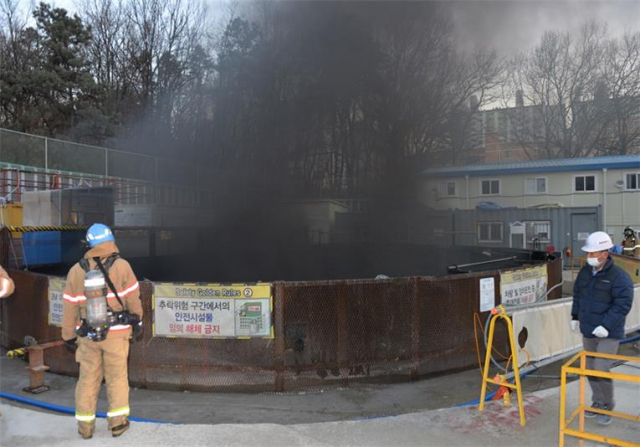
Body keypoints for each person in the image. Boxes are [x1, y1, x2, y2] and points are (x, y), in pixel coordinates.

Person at [62, 223, 143, 439]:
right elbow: (134, 298)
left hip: (88, 335)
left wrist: (68, 335)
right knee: (116, 378)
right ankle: (118, 424)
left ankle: (85, 428)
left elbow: (69, 306)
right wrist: (137, 318)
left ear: (89, 244)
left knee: (87, 379)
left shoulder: (76, 270)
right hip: (117, 335)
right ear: (110, 240)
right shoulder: (122, 266)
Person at [570, 231, 633, 426]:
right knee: (590, 368)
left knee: (601, 368)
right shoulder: (585, 272)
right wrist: (575, 316)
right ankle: (597, 402)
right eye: (588, 253)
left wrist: (606, 326)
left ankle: (607, 405)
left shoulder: (619, 277)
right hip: (589, 329)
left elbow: (623, 304)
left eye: (592, 253)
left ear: (605, 253)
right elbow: (578, 295)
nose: (589, 257)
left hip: (608, 333)